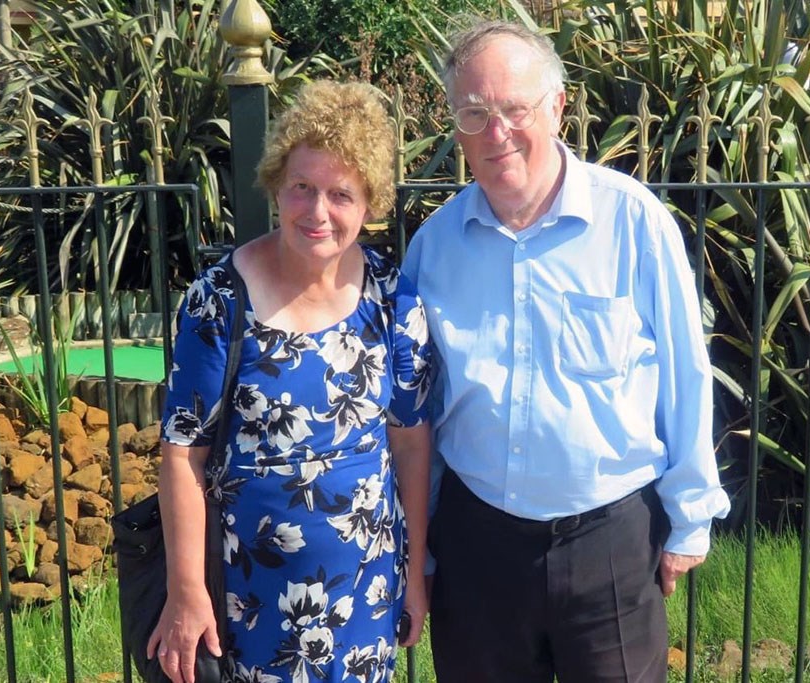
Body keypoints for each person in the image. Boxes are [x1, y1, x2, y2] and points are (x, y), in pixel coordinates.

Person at [401, 20, 730, 682]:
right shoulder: (433, 249)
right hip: (478, 548)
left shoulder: (634, 222)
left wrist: (690, 515)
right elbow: (421, 410)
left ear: (556, 106)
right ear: (455, 126)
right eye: (474, 112)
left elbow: (685, 374)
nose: (496, 132)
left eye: (514, 108)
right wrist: (423, 549)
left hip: (610, 543)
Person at [151, 80, 431, 683]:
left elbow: (410, 441)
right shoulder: (219, 300)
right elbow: (182, 455)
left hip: (367, 592)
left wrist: (414, 573)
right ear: (277, 182)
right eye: (302, 187)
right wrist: (186, 591)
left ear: (369, 204)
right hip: (249, 600)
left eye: (341, 194)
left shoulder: (393, 298)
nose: (318, 211)